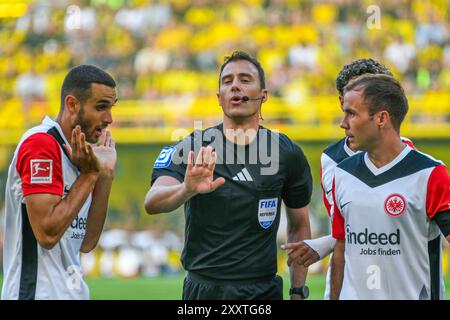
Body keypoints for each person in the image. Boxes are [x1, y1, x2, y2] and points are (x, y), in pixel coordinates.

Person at [144, 51, 313, 300]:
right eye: (227, 81)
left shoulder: (286, 153)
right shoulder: (192, 147)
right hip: (203, 290)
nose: (235, 85)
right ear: (219, 98)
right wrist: (186, 189)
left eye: (245, 79)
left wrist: (298, 290)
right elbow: (152, 202)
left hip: (262, 290)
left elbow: (299, 226)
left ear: (263, 94)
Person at [281, 58, 416, 299]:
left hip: (402, 282)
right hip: (348, 284)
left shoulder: (417, 163)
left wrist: (322, 244)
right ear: (343, 101)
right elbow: (346, 228)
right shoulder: (332, 161)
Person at [2, 65, 118, 300]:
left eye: (111, 108)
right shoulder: (41, 145)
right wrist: (89, 176)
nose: (109, 119)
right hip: (36, 294)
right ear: (72, 104)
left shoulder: (82, 156)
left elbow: (87, 242)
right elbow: (47, 234)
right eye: (101, 107)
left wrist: (105, 174)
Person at [330, 74, 450, 299]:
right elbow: (341, 247)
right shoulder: (342, 173)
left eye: (352, 114)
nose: (343, 123)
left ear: (381, 118)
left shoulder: (429, 173)